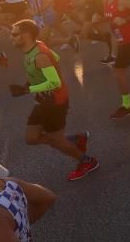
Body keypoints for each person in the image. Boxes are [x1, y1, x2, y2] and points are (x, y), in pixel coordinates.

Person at [7, 19, 98, 182]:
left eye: (14, 34)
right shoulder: (34, 48)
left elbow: (55, 83)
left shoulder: (40, 55)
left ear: (26, 35)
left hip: (54, 102)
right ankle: (74, 139)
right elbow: (55, 57)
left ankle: (87, 161)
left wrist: (28, 89)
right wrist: (29, 83)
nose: (11, 37)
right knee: (32, 138)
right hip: (43, 100)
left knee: (56, 141)